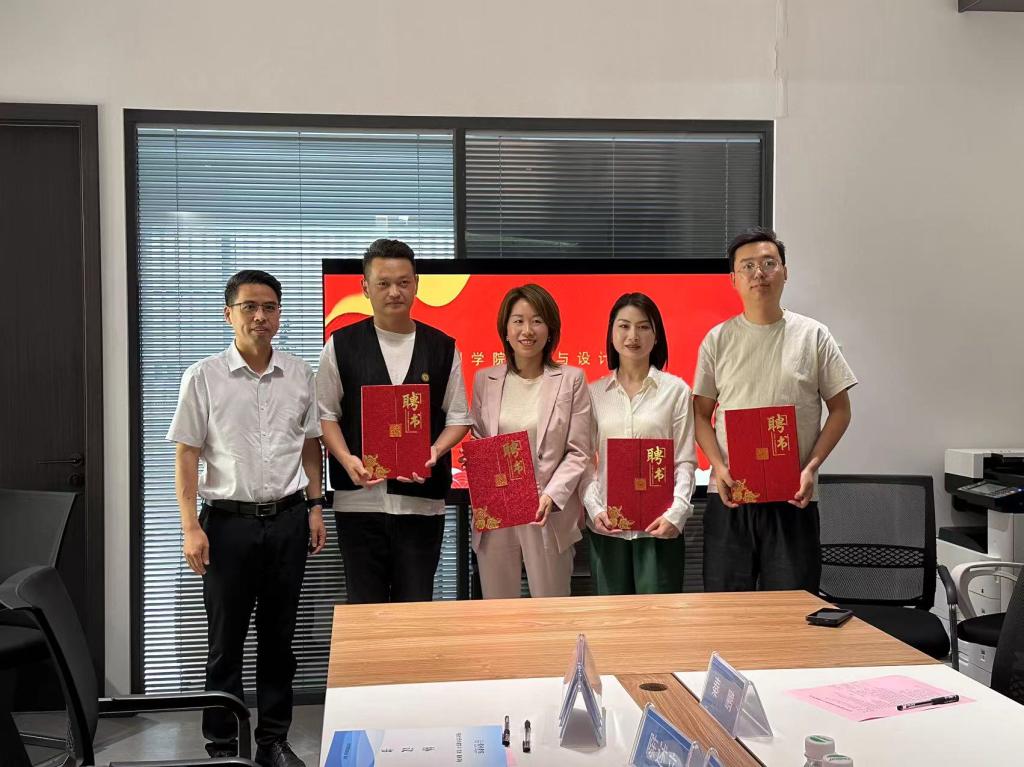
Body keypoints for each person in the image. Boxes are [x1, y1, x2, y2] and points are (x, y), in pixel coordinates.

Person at [168, 270, 325, 767]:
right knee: (225, 643)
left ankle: (273, 741)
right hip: (226, 526)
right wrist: (190, 526)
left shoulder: (300, 374)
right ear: (228, 314)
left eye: (270, 307)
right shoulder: (203, 376)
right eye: (249, 307)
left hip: (288, 521)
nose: (261, 316)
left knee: (280, 642)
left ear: (280, 314)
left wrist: (315, 505)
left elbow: (310, 445)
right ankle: (222, 748)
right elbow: (186, 455)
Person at [693, 226, 857, 593]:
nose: (759, 273)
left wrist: (810, 467)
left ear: (785, 271)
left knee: (792, 610)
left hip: (793, 496)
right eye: (748, 266)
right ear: (733, 279)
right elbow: (700, 414)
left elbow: (841, 410)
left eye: (769, 263)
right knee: (726, 608)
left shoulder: (814, 335)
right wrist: (718, 466)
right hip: (731, 496)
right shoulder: (717, 340)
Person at [316, 239, 471, 604]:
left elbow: (459, 417)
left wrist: (434, 451)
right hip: (358, 504)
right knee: (364, 610)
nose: (394, 292)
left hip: (422, 505)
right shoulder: (340, 344)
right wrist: (346, 459)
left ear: (417, 284)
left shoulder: (443, 347)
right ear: (365, 287)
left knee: (415, 610)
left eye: (403, 282)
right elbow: (325, 415)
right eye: (383, 283)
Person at [468, 284, 592, 599]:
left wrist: (552, 495)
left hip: (546, 510)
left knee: (551, 612)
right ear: (505, 330)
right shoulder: (485, 379)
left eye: (537, 321)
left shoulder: (571, 379)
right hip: (497, 511)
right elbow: (479, 436)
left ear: (550, 330)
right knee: (499, 613)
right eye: (518, 321)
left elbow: (579, 451)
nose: (527, 330)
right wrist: (476, 459)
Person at [579, 293, 697, 595]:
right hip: (608, 527)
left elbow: (685, 460)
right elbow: (584, 461)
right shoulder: (594, 394)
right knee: (610, 617)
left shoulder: (676, 391)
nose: (633, 336)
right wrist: (594, 508)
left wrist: (676, 513)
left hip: (659, 527)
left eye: (644, 327)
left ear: (656, 336)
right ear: (611, 333)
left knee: (660, 618)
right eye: (624, 326)